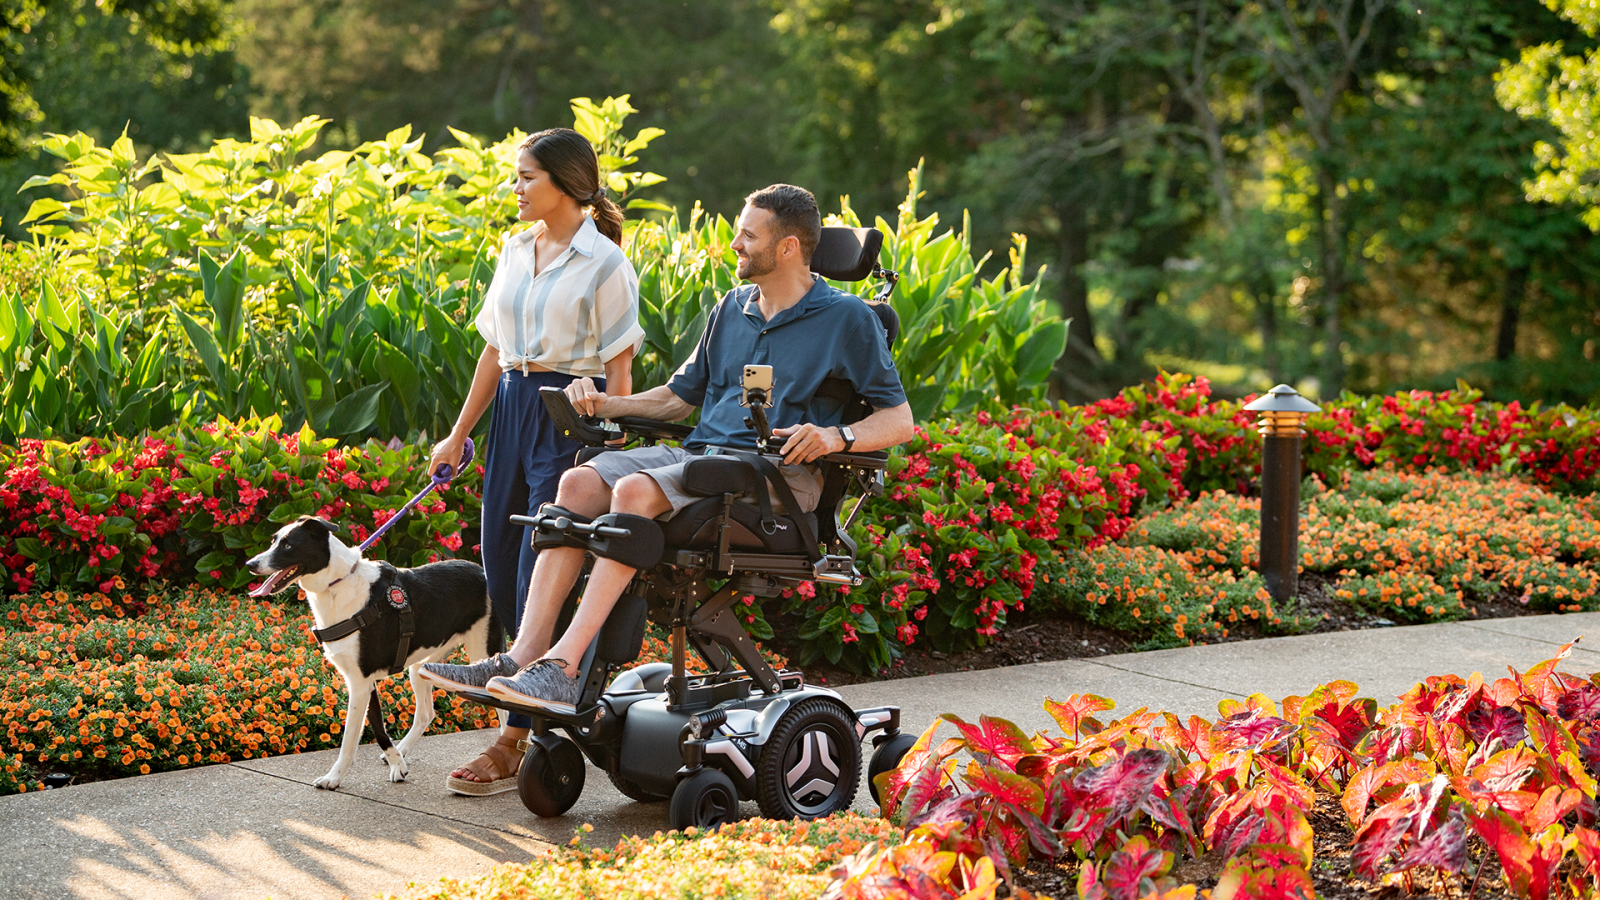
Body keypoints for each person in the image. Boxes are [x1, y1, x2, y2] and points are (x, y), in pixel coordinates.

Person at [419, 183, 914, 713]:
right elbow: (678, 401)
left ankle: (562, 667)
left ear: (789, 247)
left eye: (748, 236)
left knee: (634, 490)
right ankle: (523, 656)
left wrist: (837, 436)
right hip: (700, 459)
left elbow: (900, 419)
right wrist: (605, 405)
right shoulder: (733, 307)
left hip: (771, 478)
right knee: (578, 482)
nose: (735, 246)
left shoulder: (849, 319)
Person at [423, 127, 642, 796]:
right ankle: (523, 710)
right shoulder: (515, 248)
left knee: (533, 570)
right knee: (500, 565)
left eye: (525, 177)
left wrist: (604, 452)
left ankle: (514, 740)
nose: (513, 189)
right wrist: (459, 434)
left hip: (566, 417)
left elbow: (621, 373)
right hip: (512, 412)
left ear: (566, 184)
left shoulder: (606, 264)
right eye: (514, 176)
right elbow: (494, 351)